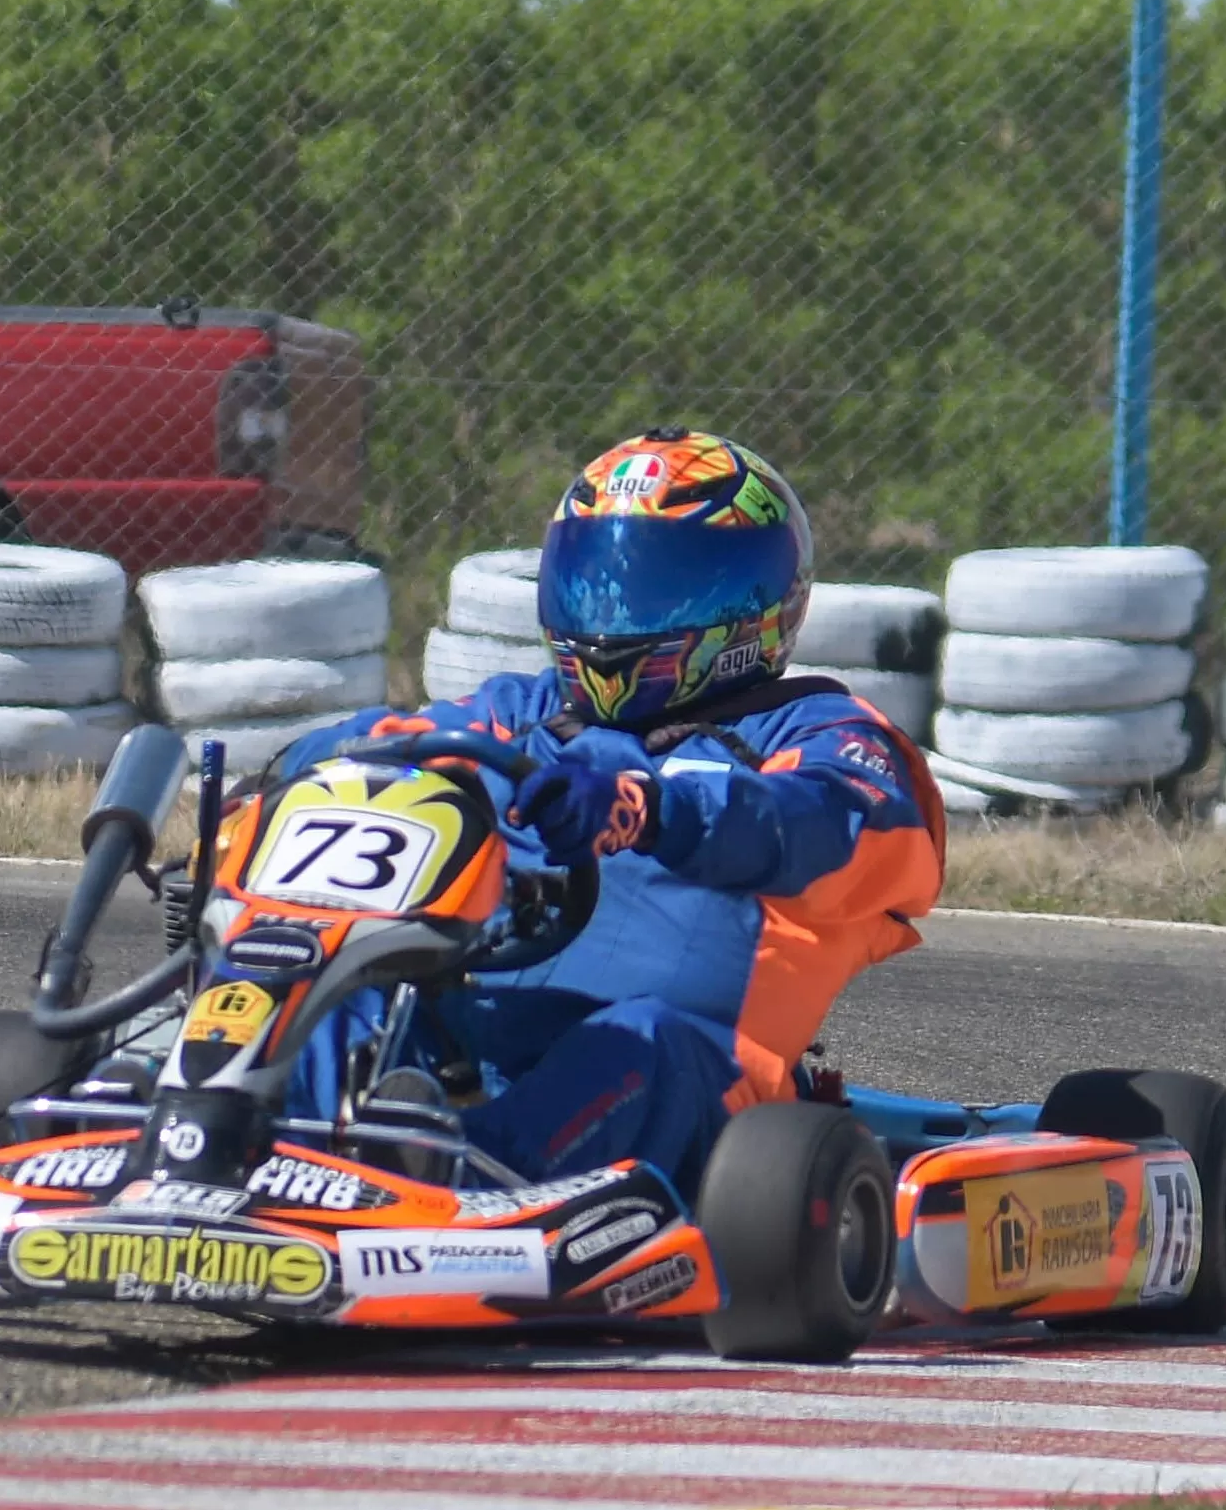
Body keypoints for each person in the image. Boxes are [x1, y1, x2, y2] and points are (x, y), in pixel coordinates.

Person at [268, 428, 945, 1196]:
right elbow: (372, 744)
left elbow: (829, 823)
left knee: (641, 1041)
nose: (616, 612)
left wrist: (651, 809)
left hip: (701, 1110)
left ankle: (451, 1183)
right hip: (459, 1055)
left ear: (757, 600)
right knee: (334, 996)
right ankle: (213, 1131)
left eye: (660, 585)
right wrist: (289, 782)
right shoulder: (521, 716)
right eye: (597, 579)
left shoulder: (818, 733)